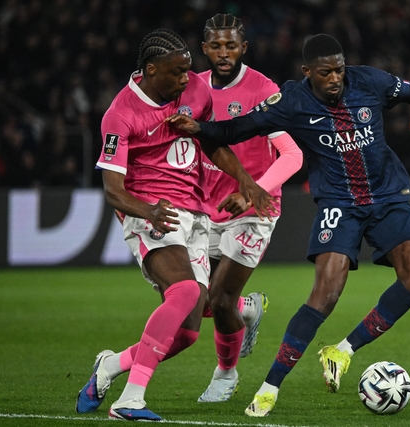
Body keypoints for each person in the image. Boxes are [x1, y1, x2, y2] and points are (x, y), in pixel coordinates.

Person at [165, 33, 410, 417]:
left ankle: (342, 351)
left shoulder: (369, 81)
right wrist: (200, 128)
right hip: (339, 205)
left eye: (339, 70)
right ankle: (269, 388)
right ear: (307, 72)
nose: (335, 78)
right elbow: (238, 129)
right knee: (325, 295)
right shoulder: (291, 100)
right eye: (326, 72)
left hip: (388, 198)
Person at [74, 28, 274, 422]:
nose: (187, 78)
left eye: (188, 69)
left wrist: (245, 180)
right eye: (177, 72)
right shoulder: (121, 114)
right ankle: (129, 401)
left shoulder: (196, 91)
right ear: (151, 70)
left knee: (186, 333)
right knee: (183, 292)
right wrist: (147, 212)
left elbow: (211, 142)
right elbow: (113, 190)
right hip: (152, 211)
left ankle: (110, 366)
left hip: (196, 213)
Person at [195, 14, 303, 403]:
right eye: (216, 46)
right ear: (204, 49)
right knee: (199, 301)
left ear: (243, 48)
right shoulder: (192, 88)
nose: (224, 53)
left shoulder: (262, 90)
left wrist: (251, 192)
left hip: (254, 208)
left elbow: (292, 155)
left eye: (231, 46)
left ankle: (225, 375)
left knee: (220, 299)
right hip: (206, 206)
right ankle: (249, 309)